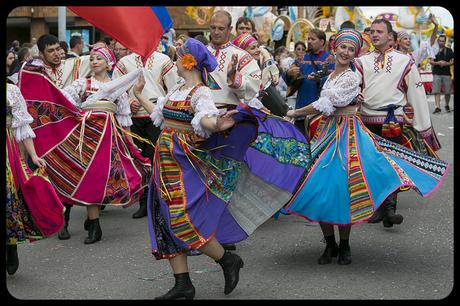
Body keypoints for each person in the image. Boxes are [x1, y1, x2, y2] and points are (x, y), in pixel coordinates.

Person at [285, 28, 449, 265]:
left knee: (344, 188)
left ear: (354, 54)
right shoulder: (331, 76)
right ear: (335, 48)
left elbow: (327, 103)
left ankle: (344, 245)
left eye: (351, 49)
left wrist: (296, 111)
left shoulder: (352, 76)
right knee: (319, 186)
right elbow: (329, 102)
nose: (346, 52)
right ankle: (329, 244)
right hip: (328, 132)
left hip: (347, 133)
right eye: (343, 47)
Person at [134, 38, 248, 299]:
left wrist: (218, 124)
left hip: (183, 162)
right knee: (163, 217)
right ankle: (183, 283)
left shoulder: (200, 93)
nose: (174, 61)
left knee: (182, 219)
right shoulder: (176, 90)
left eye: (178, 56)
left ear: (188, 61)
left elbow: (206, 120)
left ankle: (227, 260)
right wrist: (139, 94)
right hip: (164, 161)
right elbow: (161, 116)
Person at [19, 47, 151, 244]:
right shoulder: (82, 83)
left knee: (95, 180)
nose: (94, 61)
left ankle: (94, 225)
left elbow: (124, 121)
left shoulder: (118, 88)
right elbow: (59, 100)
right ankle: (82, 221)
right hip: (84, 137)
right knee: (78, 175)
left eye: (99, 58)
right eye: (92, 58)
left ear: (109, 64)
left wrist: (132, 147)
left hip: (107, 138)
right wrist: (40, 78)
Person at [354, 18, 441, 228]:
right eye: (372, 31)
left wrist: (422, 126)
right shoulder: (361, 61)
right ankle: (378, 207)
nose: (374, 35)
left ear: (390, 36)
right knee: (372, 165)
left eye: (379, 31)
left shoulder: (405, 61)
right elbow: (354, 85)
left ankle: (390, 210)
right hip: (367, 119)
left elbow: (417, 93)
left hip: (393, 120)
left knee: (391, 164)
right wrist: (355, 95)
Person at [20, 34, 91, 240]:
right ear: (41, 53)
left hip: (69, 129)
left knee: (68, 172)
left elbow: (102, 60)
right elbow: (27, 99)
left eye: (58, 49)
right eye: (50, 51)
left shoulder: (73, 64)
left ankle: (67, 220)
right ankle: (50, 220)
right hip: (43, 132)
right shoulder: (34, 71)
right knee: (45, 175)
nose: (57, 54)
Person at [112, 43, 179, 219]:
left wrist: (161, 105)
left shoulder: (163, 60)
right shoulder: (125, 62)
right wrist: (127, 101)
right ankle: (144, 201)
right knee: (138, 159)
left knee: (156, 157)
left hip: (155, 117)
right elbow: (115, 88)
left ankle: (160, 200)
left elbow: (174, 88)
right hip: (132, 118)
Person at [6, 82, 64, 275]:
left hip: (7, 153)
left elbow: (22, 126)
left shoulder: (11, 91)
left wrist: (33, 156)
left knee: (9, 200)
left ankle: (10, 245)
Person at [285, 29, 335, 134]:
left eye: (313, 39)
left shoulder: (331, 60)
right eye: (308, 39)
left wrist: (319, 80)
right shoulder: (301, 58)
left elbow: (334, 82)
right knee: (301, 144)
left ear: (322, 42)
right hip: (301, 108)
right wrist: (289, 73)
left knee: (318, 146)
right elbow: (288, 80)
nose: (309, 41)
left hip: (320, 112)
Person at [429, 34, 454, 114]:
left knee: (447, 92)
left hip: (447, 74)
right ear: (438, 41)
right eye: (440, 41)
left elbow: (452, 61)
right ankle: (437, 107)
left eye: (443, 41)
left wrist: (446, 64)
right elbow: (431, 61)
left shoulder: (449, 50)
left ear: (445, 41)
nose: (441, 42)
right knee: (436, 91)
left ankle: (446, 104)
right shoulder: (434, 50)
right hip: (437, 73)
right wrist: (438, 63)